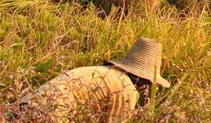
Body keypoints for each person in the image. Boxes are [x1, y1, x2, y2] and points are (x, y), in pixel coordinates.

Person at [17, 37, 170, 122]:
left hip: (25, 106)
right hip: (51, 115)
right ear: (145, 80)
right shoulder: (127, 89)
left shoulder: (104, 73)